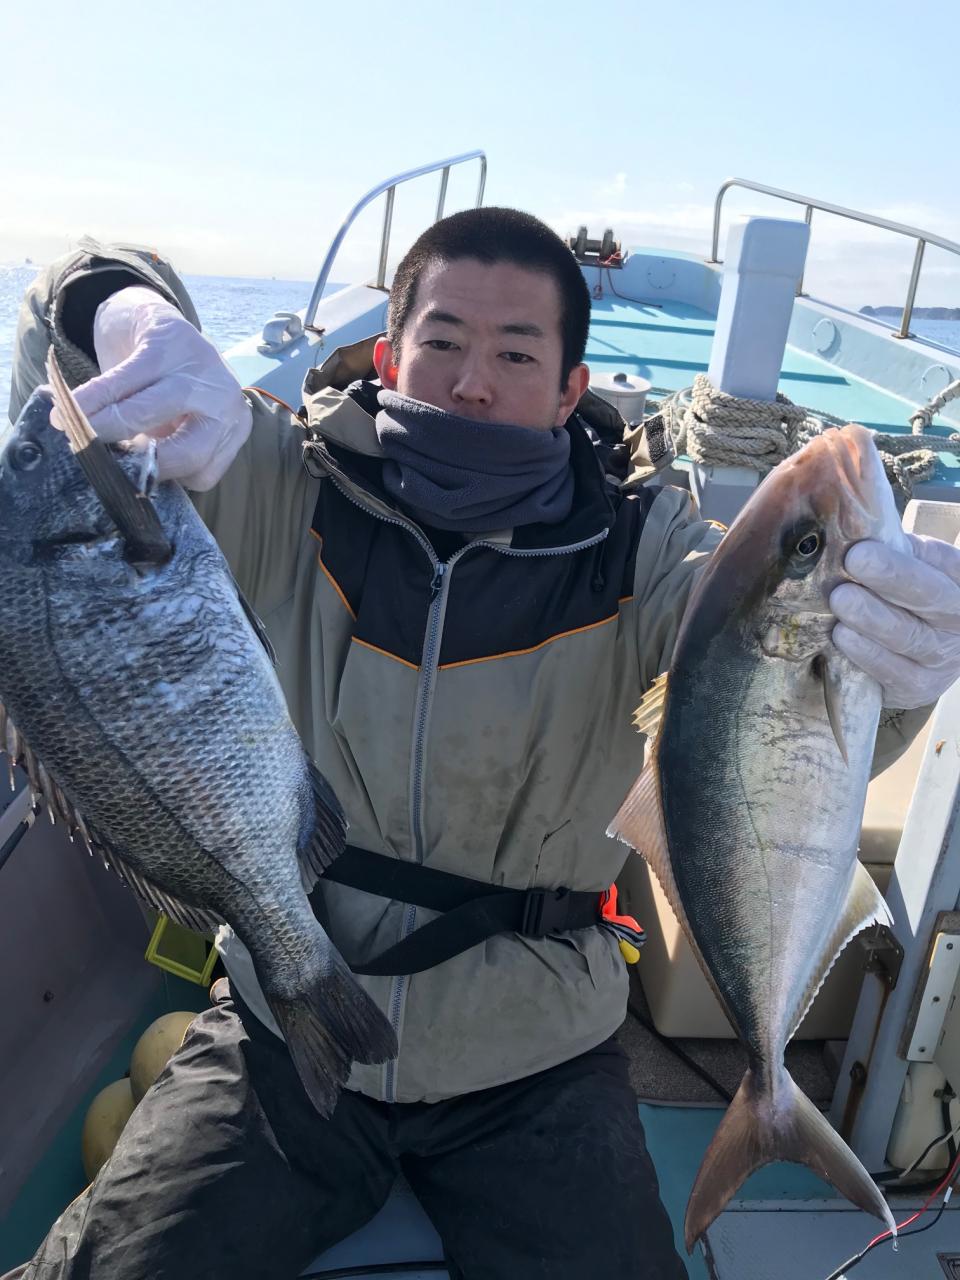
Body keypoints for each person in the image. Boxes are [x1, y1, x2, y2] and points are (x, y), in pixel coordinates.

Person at [5, 208, 958, 1280]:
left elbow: (768, 705)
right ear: (387, 356)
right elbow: (54, 349)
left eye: (515, 354)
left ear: (568, 388)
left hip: (537, 1058)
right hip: (283, 1023)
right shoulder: (276, 479)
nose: (471, 382)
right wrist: (124, 308)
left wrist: (895, 672)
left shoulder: (648, 555)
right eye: (444, 341)